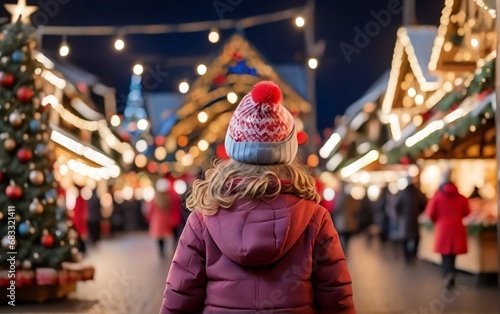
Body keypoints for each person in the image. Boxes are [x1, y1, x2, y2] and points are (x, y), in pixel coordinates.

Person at [160, 81, 355, 313]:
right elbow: (336, 299)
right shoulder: (315, 218)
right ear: (287, 151)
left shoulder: (204, 217)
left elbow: (180, 298)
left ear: (234, 148)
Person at [425, 169, 470, 289]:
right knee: (453, 255)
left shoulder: (437, 197)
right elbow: (467, 212)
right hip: (457, 228)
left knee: (445, 255)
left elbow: (430, 213)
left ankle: (447, 275)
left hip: (442, 228)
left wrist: (438, 221)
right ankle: (451, 274)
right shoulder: (460, 197)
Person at [394, 176, 427, 264]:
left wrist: (399, 215)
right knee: (415, 238)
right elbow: (424, 204)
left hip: (404, 219)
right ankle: (412, 254)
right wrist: (418, 212)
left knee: (404, 239)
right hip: (414, 219)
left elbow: (396, 206)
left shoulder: (402, 193)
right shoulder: (418, 193)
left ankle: (407, 257)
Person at [147, 178, 181, 258]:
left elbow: (150, 209)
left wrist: (149, 218)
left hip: (157, 220)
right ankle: (171, 248)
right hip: (166, 218)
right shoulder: (168, 197)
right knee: (167, 236)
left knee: (159, 237)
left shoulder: (155, 198)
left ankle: (161, 252)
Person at [330, 180, 360, 252]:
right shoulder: (351, 197)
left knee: (342, 239)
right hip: (350, 222)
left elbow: (337, 208)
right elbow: (356, 208)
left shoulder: (340, 196)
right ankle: (344, 251)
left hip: (342, 222)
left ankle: (343, 252)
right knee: (346, 239)